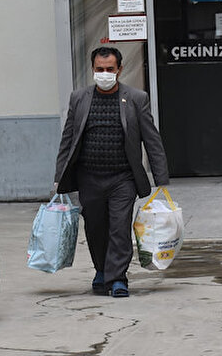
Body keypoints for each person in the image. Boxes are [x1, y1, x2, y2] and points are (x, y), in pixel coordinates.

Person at [55, 47, 169, 298]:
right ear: (92, 69)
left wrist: (160, 178)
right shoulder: (79, 98)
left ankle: (118, 278)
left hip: (122, 177)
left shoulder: (137, 98)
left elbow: (152, 138)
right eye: (99, 69)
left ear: (119, 69)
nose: (104, 74)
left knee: (119, 227)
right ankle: (101, 271)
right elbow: (68, 139)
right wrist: (59, 175)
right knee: (95, 228)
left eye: (109, 69)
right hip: (89, 177)